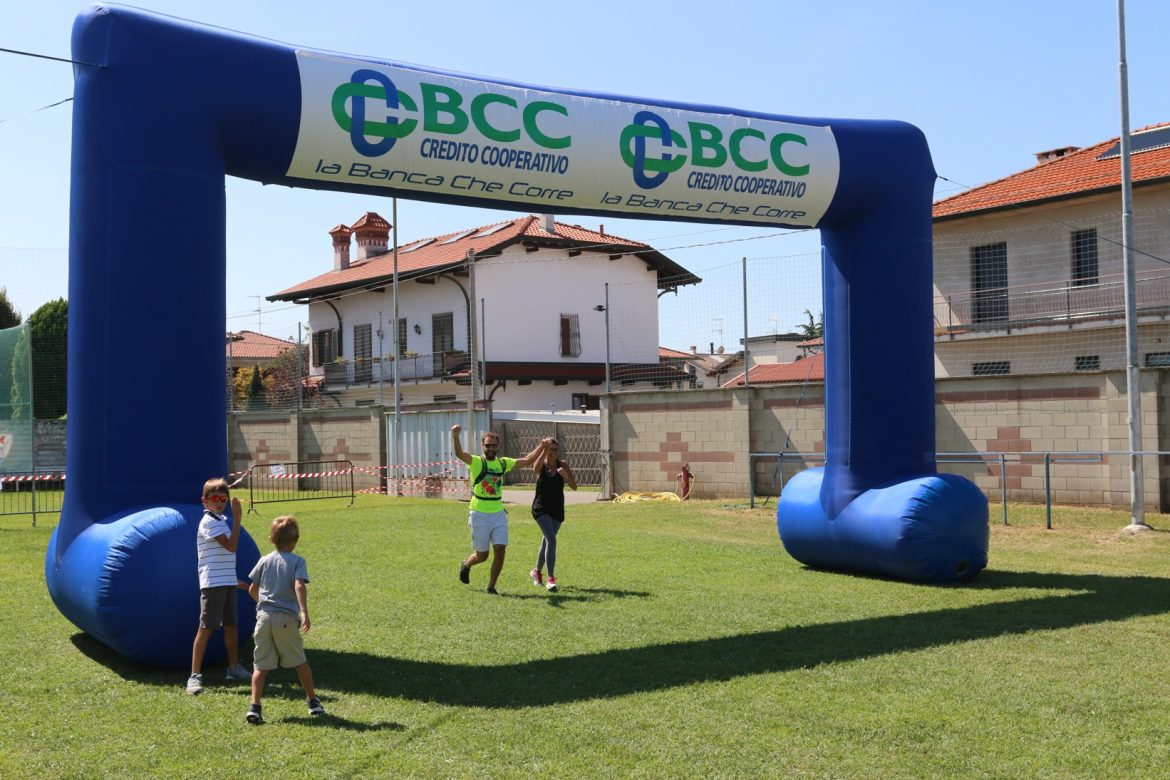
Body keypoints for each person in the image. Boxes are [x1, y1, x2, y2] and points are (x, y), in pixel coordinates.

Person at [245, 515, 324, 724]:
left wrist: (263, 604)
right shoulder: (297, 562)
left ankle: (254, 707)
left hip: (263, 619)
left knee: (260, 666)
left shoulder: (264, 560)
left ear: (271, 538)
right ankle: (313, 701)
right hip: (285, 619)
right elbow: (299, 585)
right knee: (300, 662)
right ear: (295, 539)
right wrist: (304, 612)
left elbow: (252, 589)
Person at [452, 424, 543, 594]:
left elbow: (527, 460)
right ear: (482, 446)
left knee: (500, 551)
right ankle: (466, 564)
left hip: (498, 513)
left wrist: (542, 446)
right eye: (488, 446)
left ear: (498, 446)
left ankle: (491, 586)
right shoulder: (477, 462)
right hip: (479, 513)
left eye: (494, 445)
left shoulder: (503, 463)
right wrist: (456, 435)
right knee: (482, 555)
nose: (491, 449)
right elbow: (459, 454)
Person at [187, 477, 251, 695]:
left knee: (231, 626)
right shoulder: (209, 522)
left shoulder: (221, 520)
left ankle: (233, 668)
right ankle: (194, 676)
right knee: (206, 628)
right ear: (204, 500)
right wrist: (238, 519)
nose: (219, 502)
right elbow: (231, 547)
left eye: (223, 499)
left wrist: (233, 580)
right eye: (214, 498)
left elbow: (222, 557)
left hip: (225, 582)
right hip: (212, 585)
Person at [529, 437, 577, 592]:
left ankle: (536, 572)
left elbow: (574, 486)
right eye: (551, 450)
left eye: (556, 450)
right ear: (546, 450)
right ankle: (550, 578)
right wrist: (543, 449)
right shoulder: (542, 464)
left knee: (546, 542)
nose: (553, 453)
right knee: (551, 539)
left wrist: (566, 477)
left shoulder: (563, 465)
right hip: (541, 508)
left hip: (556, 509)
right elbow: (535, 470)